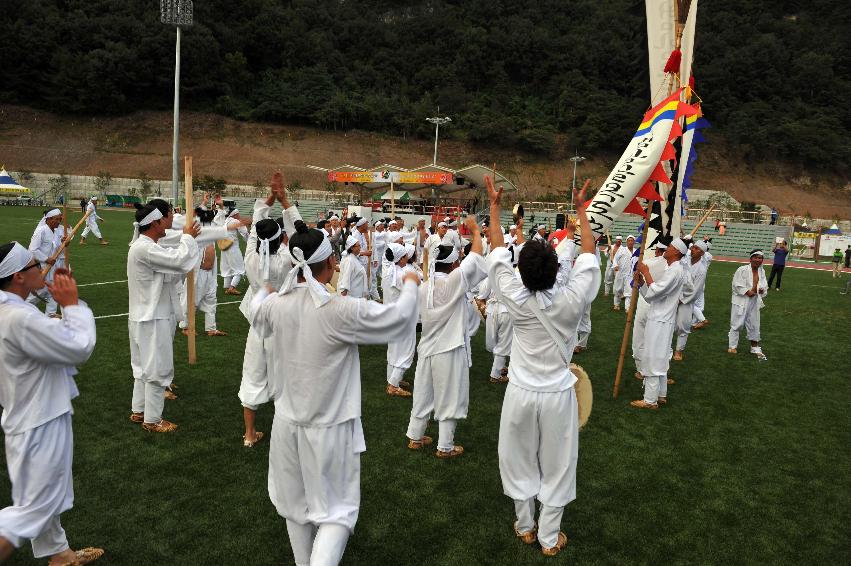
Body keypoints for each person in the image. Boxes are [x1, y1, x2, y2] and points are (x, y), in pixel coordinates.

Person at [250, 219, 420, 566]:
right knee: (337, 514)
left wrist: (266, 288)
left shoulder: (274, 306)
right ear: (329, 264)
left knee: (295, 508)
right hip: (330, 428)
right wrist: (412, 282)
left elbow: (257, 309)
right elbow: (401, 320)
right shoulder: (338, 311)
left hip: (287, 425)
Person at [486, 178, 599, 556]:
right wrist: (581, 209)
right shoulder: (571, 301)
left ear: (523, 271)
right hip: (556, 395)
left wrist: (495, 206)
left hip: (519, 392)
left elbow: (499, 251)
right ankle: (549, 538)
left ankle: (525, 526)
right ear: (555, 270)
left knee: (517, 458)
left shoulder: (512, 296)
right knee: (558, 464)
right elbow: (588, 255)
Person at [0, 243, 102, 565]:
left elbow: (47, 338)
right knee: (34, 507)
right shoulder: (17, 317)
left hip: (28, 415)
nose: (41, 266)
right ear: (18, 276)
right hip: (38, 420)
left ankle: (60, 555)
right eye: (34, 264)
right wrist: (72, 306)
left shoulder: (13, 311)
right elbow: (77, 347)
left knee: (41, 495)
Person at [405, 216, 487, 458]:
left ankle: (415, 436)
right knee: (450, 396)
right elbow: (477, 258)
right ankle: (445, 446)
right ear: (453, 265)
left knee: (423, 393)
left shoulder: (424, 287)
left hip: (427, 348)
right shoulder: (454, 282)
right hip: (449, 348)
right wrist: (474, 230)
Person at [127, 203, 201, 432]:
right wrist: (188, 238)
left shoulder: (146, 247)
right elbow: (179, 261)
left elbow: (172, 266)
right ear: (154, 223)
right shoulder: (145, 249)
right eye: (163, 222)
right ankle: (153, 419)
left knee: (142, 368)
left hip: (143, 316)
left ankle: (139, 410)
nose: (166, 226)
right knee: (156, 368)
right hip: (152, 318)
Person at [239, 174, 299, 447]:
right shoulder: (287, 259)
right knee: (284, 380)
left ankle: (249, 434)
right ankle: (283, 435)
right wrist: (283, 200)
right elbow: (300, 237)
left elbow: (254, 230)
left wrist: (269, 199)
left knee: (252, 376)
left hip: (257, 328)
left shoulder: (250, 256)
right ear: (280, 239)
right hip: (281, 328)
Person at [630, 238, 687, 409]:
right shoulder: (673, 269)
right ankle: (661, 395)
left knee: (653, 357)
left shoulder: (675, 270)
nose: (666, 249)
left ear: (676, 251)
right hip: (660, 317)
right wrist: (641, 284)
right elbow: (652, 296)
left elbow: (657, 290)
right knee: (660, 357)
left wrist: (646, 272)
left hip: (661, 319)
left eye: (669, 247)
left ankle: (650, 400)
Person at [179, 208, 227, 337]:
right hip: (198, 271)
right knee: (191, 299)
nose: (209, 217)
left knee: (211, 299)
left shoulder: (211, 228)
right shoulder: (196, 228)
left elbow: (220, 224)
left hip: (210, 272)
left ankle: (211, 328)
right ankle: (186, 326)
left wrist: (220, 208)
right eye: (206, 215)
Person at [382, 243, 417, 397]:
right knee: (406, 351)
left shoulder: (388, 271)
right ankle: (393, 384)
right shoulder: (400, 274)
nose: (407, 259)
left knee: (394, 350)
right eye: (404, 256)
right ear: (399, 258)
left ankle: (394, 378)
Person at [728, 250, 768, 359]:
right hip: (741, 301)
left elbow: (764, 285)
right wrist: (746, 291)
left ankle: (754, 347)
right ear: (751, 259)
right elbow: (736, 284)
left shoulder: (762, 272)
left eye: (760, 258)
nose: (758, 260)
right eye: (756, 257)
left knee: (754, 323)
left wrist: (762, 290)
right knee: (737, 323)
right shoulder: (742, 270)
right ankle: (732, 346)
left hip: (754, 300)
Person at [673, 241, 708, 360]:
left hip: (686, 302)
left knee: (683, 325)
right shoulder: (683, 262)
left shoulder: (702, 270)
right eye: (693, 247)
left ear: (702, 253)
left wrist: (681, 300)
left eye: (697, 248)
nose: (693, 249)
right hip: (673, 296)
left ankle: (679, 350)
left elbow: (696, 291)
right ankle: (666, 347)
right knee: (669, 323)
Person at [28, 209, 66, 317]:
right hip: (42, 268)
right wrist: (46, 259)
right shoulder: (41, 231)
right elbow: (32, 250)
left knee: (53, 293)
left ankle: (50, 317)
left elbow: (57, 250)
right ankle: (18, 312)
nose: (59, 222)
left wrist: (63, 244)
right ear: (49, 219)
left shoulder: (56, 231)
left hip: (54, 268)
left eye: (60, 219)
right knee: (35, 295)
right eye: (56, 219)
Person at [214, 200, 250, 295]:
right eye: (238, 214)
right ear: (234, 214)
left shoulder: (224, 221)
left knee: (227, 267)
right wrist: (251, 242)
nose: (239, 215)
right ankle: (232, 287)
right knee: (239, 268)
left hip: (224, 248)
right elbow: (245, 233)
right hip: (233, 248)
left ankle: (226, 286)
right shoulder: (235, 221)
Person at [612, 235, 634, 310]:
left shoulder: (636, 251)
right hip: (620, 273)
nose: (630, 242)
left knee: (629, 291)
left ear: (634, 242)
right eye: (629, 240)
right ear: (627, 242)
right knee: (618, 289)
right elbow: (615, 258)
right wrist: (615, 265)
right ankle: (616, 304)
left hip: (630, 274)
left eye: (632, 241)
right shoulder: (622, 249)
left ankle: (627, 308)